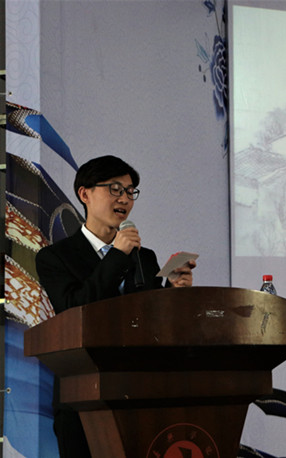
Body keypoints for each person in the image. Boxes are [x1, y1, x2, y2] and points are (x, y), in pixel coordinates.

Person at [35, 155, 196, 458]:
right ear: (85, 194)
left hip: (139, 395)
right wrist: (117, 256)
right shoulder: (55, 257)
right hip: (82, 397)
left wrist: (173, 291)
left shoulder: (143, 257)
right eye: (115, 189)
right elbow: (74, 310)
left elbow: (153, 322)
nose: (124, 199)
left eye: (130, 191)